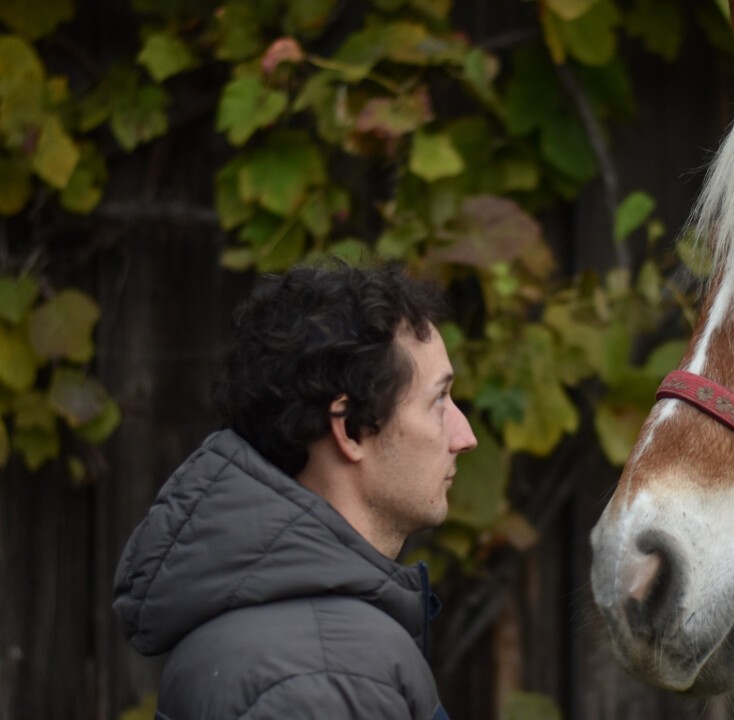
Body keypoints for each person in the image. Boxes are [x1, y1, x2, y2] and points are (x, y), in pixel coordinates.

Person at [113, 263, 477, 719]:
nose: (465, 436)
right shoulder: (323, 677)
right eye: (438, 401)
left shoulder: (300, 648)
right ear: (349, 429)